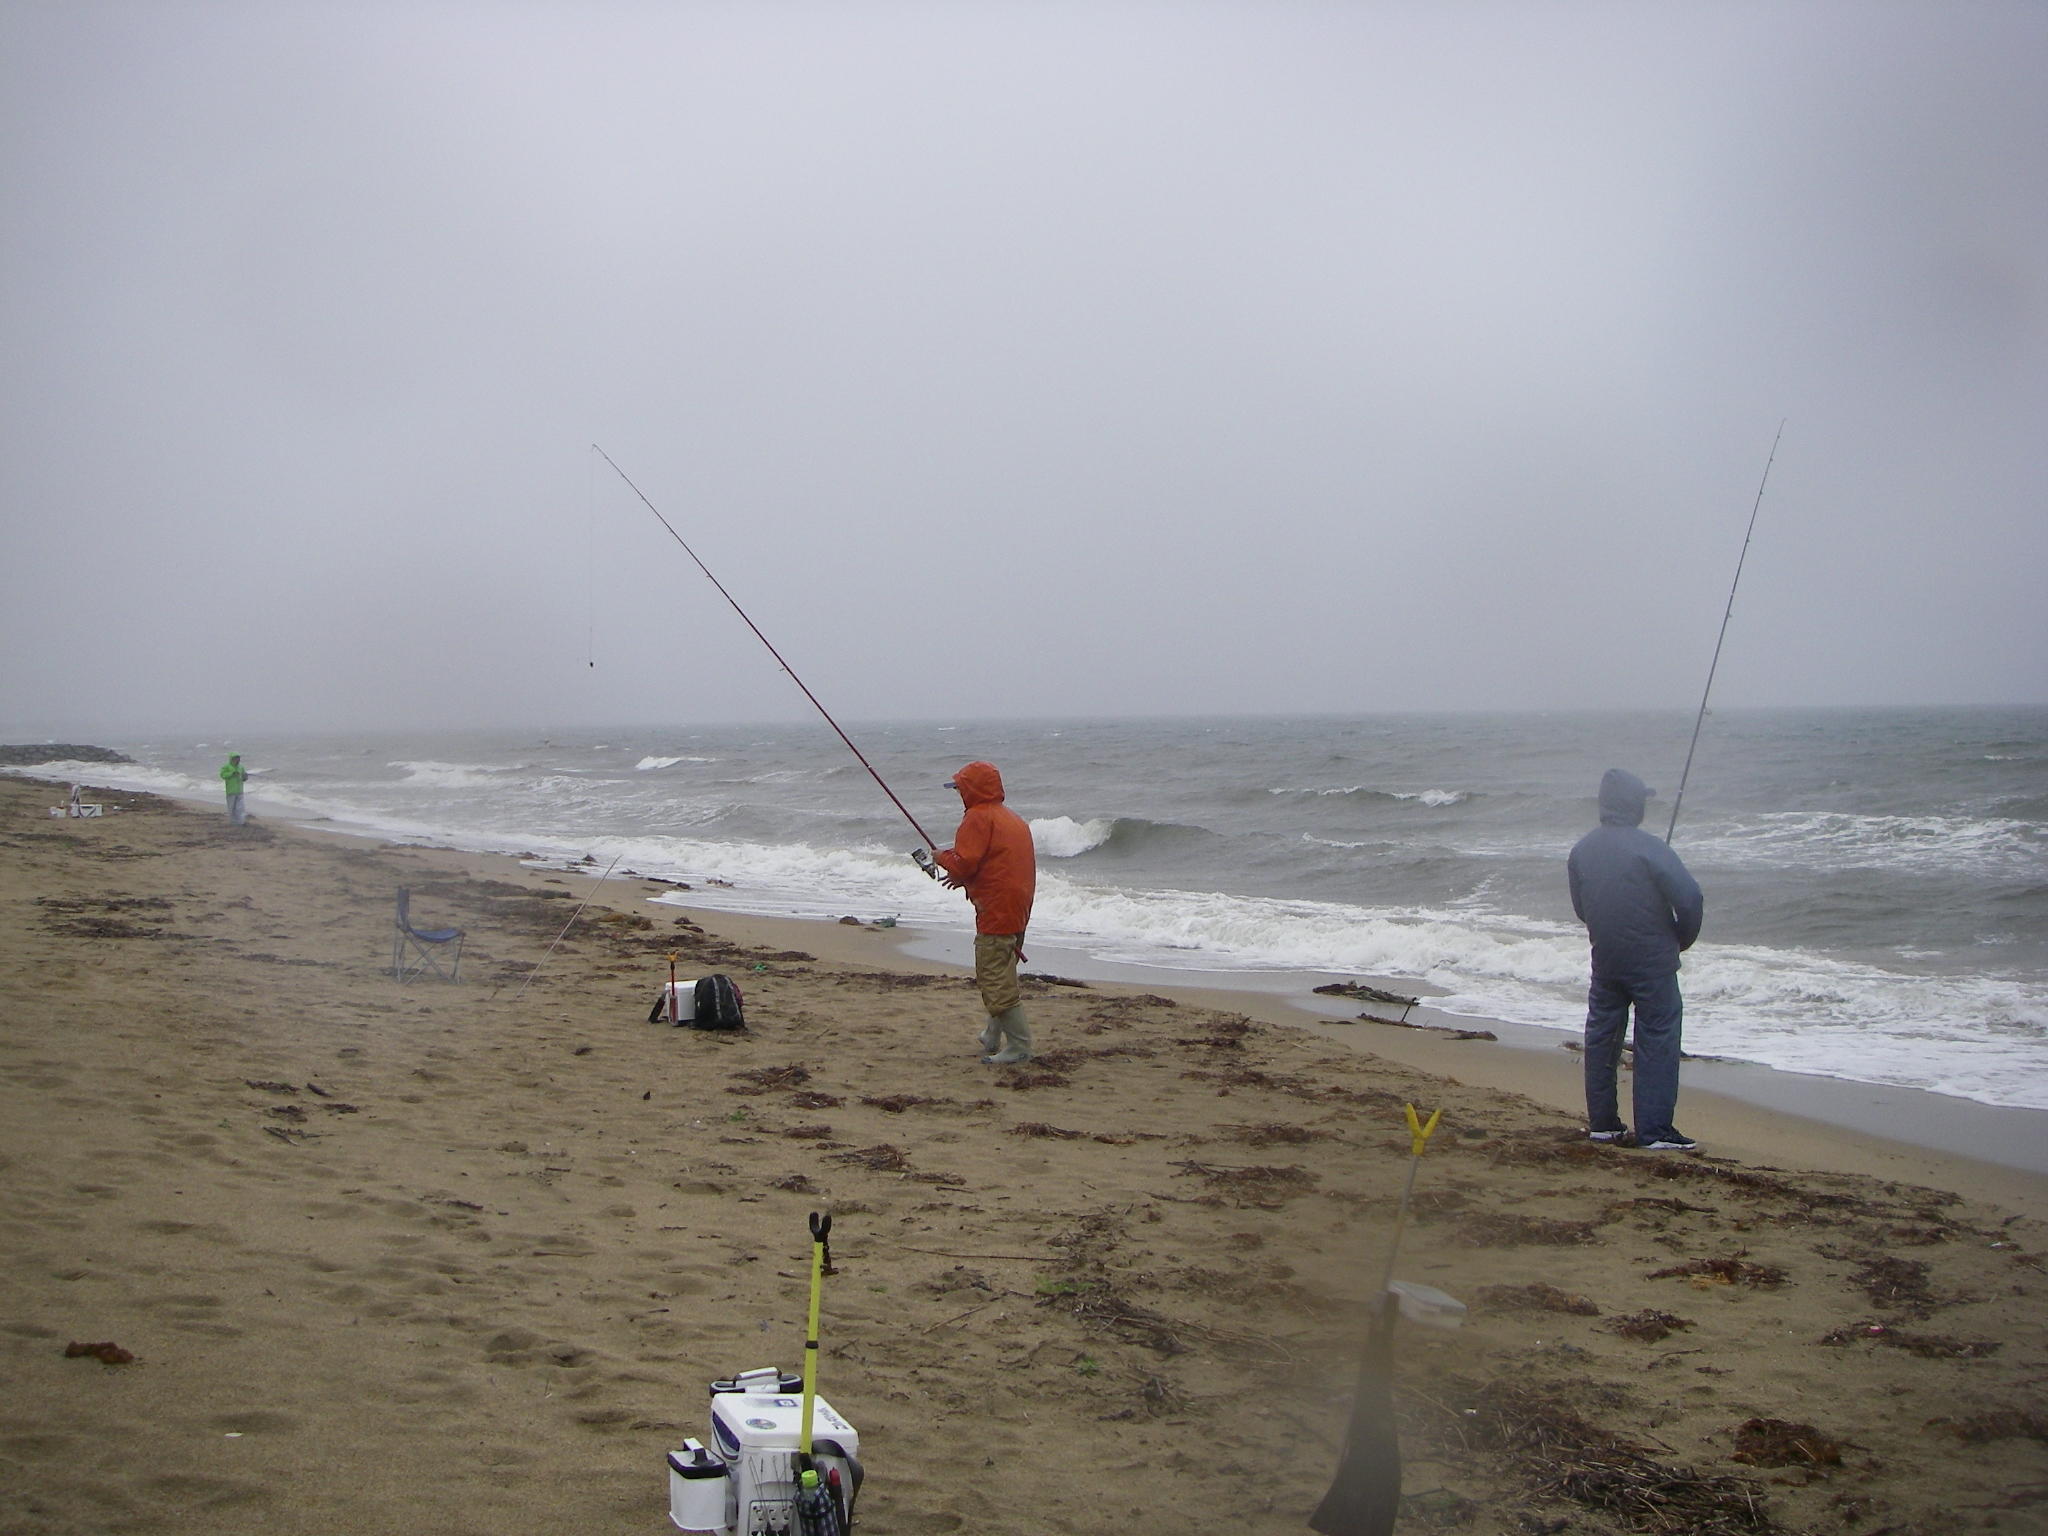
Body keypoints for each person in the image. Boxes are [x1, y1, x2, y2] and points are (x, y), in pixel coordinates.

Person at [1566, 768, 1704, 1150]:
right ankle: (1656, 1131)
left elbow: (1583, 909)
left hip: (1606, 960)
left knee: (1602, 1036)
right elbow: (1690, 900)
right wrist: (1680, 940)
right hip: (1652, 963)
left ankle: (1603, 1125)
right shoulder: (1652, 848)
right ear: (1634, 804)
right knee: (1657, 1037)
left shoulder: (1582, 850)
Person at [928, 761, 1037, 1065]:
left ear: (971, 789)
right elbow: (993, 862)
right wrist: (965, 876)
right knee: (1003, 971)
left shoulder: (977, 818)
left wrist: (942, 858)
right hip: (1018, 907)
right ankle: (992, 1035)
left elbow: (964, 862)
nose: (959, 793)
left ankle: (1020, 1046)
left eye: (960, 787)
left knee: (993, 978)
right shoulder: (1012, 819)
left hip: (997, 912)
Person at [219, 753, 249, 826]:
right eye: (235, 758)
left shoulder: (241, 767)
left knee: (240, 807)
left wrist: (245, 776)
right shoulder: (226, 767)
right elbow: (222, 775)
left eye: (238, 758)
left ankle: (241, 822)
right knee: (232, 808)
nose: (237, 760)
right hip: (231, 791)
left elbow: (244, 778)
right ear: (231, 759)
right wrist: (232, 773)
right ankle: (233, 822)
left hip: (240, 791)